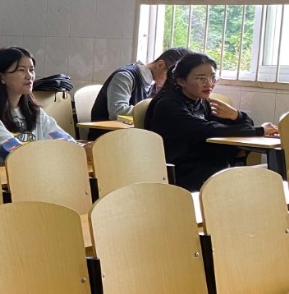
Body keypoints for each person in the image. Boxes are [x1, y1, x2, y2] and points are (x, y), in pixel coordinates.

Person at [147, 52, 277, 191]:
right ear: (181, 81)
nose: (209, 84)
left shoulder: (201, 101)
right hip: (182, 171)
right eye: (201, 79)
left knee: (272, 173)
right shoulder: (168, 104)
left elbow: (232, 127)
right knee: (263, 180)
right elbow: (209, 129)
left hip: (207, 165)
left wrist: (236, 115)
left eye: (213, 78)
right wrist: (259, 130)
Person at [0, 47, 76, 161]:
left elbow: (61, 139)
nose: (29, 76)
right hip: (9, 171)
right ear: (2, 77)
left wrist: (80, 148)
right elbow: (14, 153)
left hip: (37, 168)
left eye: (31, 70)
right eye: (21, 70)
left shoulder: (34, 111)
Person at [90, 47, 190, 135]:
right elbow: (118, 111)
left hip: (132, 135)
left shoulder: (153, 82)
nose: (172, 81)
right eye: (171, 76)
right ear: (160, 65)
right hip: (108, 137)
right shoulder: (125, 76)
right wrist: (157, 111)